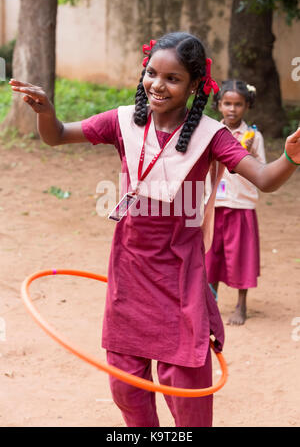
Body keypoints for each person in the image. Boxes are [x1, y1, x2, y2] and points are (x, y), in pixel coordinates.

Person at [9, 32, 300, 427]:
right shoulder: (123, 121)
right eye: (152, 73)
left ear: (195, 85)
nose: (157, 85)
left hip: (180, 276)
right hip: (129, 271)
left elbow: (264, 179)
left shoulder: (211, 135)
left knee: (185, 390)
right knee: (126, 388)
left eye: (173, 78)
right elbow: (57, 135)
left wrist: (290, 156)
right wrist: (45, 111)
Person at [205, 80, 266, 325]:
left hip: (241, 206)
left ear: (246, 106)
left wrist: (249, 153)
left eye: (238, 104)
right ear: (219, 105)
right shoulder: (211, 132)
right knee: (212, 257)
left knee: (242, 257)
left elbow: (263, 170)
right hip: (215, 205)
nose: (232, 109)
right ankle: (211, 303)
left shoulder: (254, 136)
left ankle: (241, 305)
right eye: (227, 103)